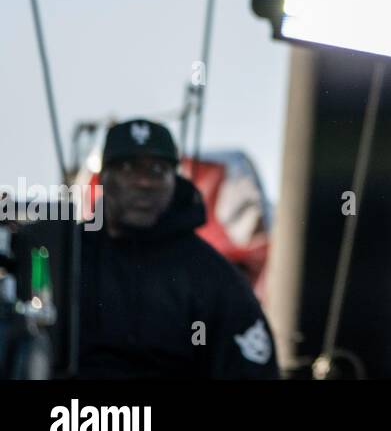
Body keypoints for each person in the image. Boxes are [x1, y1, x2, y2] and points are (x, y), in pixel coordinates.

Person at [76, 118, 280, 378]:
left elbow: (253, 368)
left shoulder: (213, 277)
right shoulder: (69, 258)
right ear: (104, 178)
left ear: (175, 180)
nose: (144, 183)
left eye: (157, 170)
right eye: (129, 169)